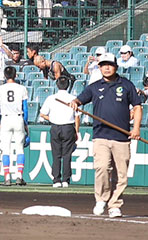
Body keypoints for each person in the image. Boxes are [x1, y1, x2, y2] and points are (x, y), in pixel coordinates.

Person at [72, 52, 143, 218]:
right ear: (99, 67)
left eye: (109, 64)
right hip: (101, 136)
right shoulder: (94, 87)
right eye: (103, 65)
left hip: (122, 137)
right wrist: (74, 103)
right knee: (102, 167)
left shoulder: (127, 85)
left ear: (116, 66)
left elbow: (138, 107)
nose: (106, 67)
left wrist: (136, 128)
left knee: (121, 175)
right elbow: (79, 100)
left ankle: (114, 205)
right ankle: (101, 199)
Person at [39, 76, 79, 188]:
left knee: (56, 155)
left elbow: (42, 114)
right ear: (68, 85)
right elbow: (77, 117)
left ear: (57, 85)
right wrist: (77, 131)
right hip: (68, 127)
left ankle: (56, 180)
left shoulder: (51, 98)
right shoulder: (73, 98)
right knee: (67, 155)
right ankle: (66, 180)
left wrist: (52, 119)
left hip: (56, 127)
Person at [0, 65, 29, 186]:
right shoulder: (21, 88)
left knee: (5, 149)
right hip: (18, 117)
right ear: (15, 75)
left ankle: (7, 177)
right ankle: (19, 176)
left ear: (4, 76)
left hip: (6, 118)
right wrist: (25, 123)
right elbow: (26, 109)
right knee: (20, 149)